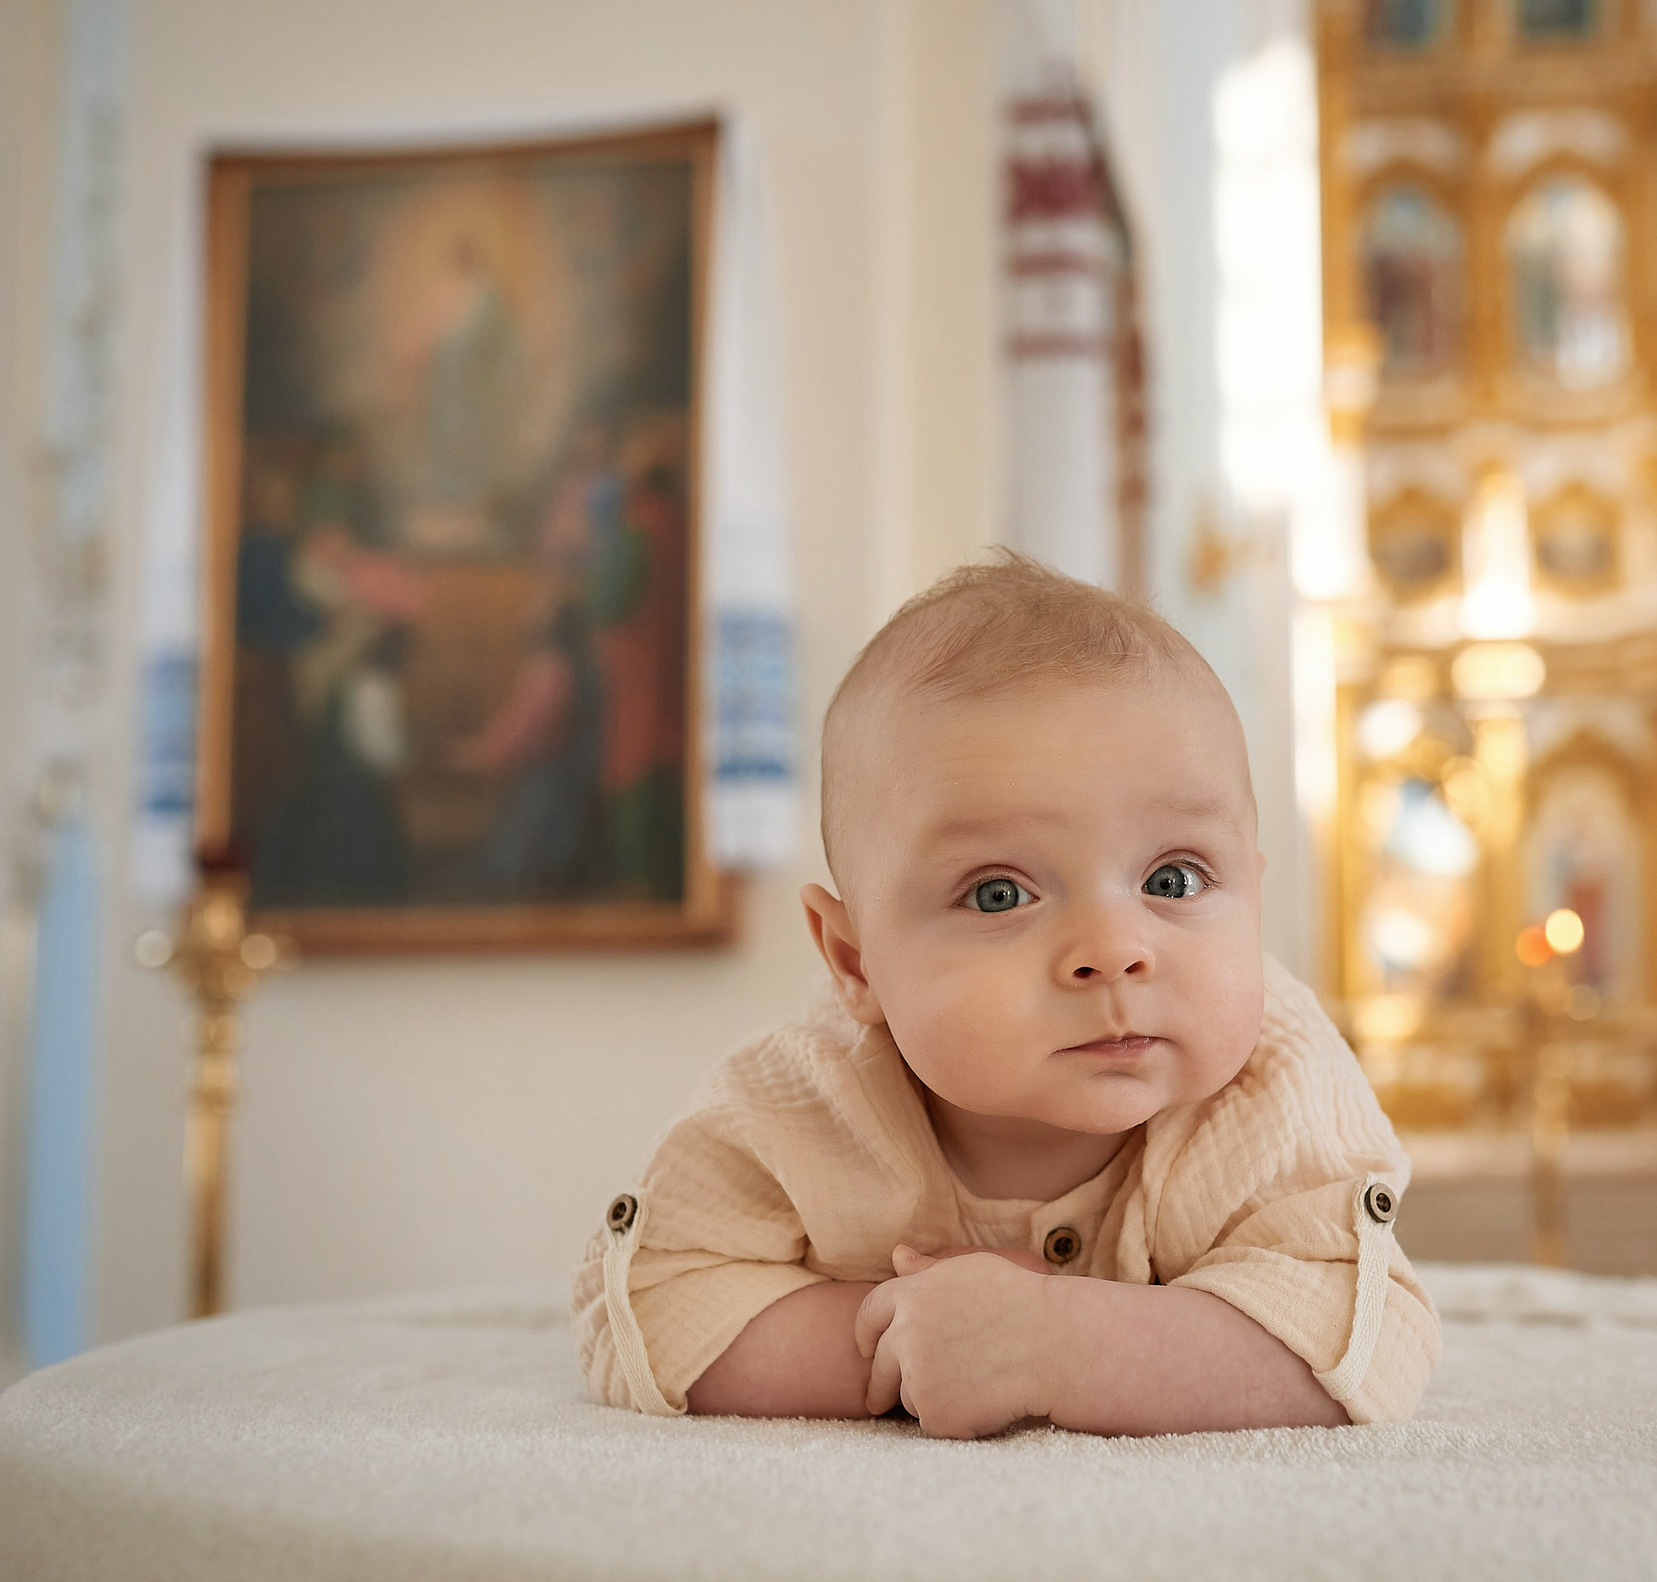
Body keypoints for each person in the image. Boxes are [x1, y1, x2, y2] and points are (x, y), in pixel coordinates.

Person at [573, 555, 1439, 1437]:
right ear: (855, 962)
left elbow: (1362, 1340)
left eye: (1174, 879)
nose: (1113, 952)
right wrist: (909, 1336)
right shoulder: (802, 1104)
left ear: (1251, 898)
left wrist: (1053, 1344)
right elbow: (643, 1301)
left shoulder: (1273, 1088)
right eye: (999, 893)